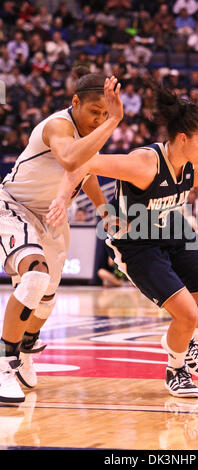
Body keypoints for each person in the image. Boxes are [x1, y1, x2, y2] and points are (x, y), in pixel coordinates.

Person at [47, 83, 198, 399]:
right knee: (186, 313)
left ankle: (182, 341)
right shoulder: (143, 164)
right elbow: (84, 163)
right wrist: (66, 200)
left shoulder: (197, 169)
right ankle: (176, 368)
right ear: (183, 138)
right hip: (137, 240)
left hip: (174, 229)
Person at [0, 71, 123, 403]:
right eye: (95, 111)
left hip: (53, 217)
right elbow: (70, 158)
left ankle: (25, 348)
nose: (99, 119)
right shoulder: (58, 126)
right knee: (35, 278)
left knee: (47, 299)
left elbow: (87, 169)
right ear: (75, 102)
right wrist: (114, 120)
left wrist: (104, 212)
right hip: (15, 206)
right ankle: (2, 364)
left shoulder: (94, 132)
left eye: (105, 112)